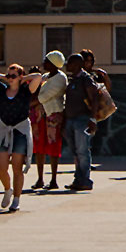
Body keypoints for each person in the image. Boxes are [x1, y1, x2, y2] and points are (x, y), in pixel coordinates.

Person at [0, 63, 42, 211]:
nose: (10, 78)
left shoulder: (25, 90)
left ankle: (16, 198)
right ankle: (7, 189)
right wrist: (3, 77)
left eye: (13, 76)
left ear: (20, 77)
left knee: (17, 166)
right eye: (9, 75)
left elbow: (38, 77)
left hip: (20, 129)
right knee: (1, 166)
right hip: (4, 128)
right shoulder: (2, 89)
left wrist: (23, 78)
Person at [30, 51, 67, 190]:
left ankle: (53, 179)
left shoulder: (60, 78)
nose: (43, 63)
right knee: (39, 146)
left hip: (53, 115)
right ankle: (40, 178)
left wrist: (29, 104)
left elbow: (44, 96)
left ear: (53, 63)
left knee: (53, 146)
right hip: (40, 115)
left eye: (46, 61)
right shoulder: (45, 76)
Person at [61, 53, 97, 191]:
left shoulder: (85, 79)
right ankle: (78, 179)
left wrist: (92, 119)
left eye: (70, 63)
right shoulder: (72, 80)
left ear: (77, 64)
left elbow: (94, 98)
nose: (67, 65)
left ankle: (85, 181)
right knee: (76, 152)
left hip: (82, 120)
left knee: (82, 151)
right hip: (70, 120)